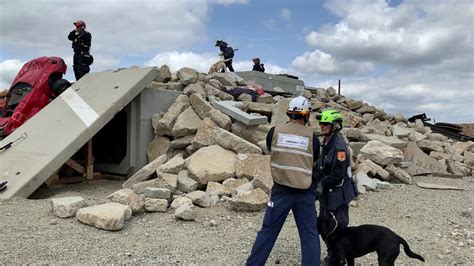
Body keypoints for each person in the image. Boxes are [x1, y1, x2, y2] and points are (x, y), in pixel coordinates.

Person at [246, 96, 321, 266]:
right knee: (309, 235)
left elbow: (272, 150)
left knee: (268, 231)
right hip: (305, 191)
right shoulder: (312, 137)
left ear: (290, 113)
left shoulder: (274, 132)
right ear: (306, 114)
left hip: (281, 190)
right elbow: (315, 160)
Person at [314, 109, 358, 265]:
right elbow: (321, 166)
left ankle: (338, 258)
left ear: (335, 125)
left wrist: (321, 184)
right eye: (321, 123)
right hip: (326, 193)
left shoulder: (339, 146)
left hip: (337, 194)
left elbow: (338, 174)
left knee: (337, 227)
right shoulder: (326, 141)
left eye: (326, 123)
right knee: (323, 225)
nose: (322, 126)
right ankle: (333, 253)